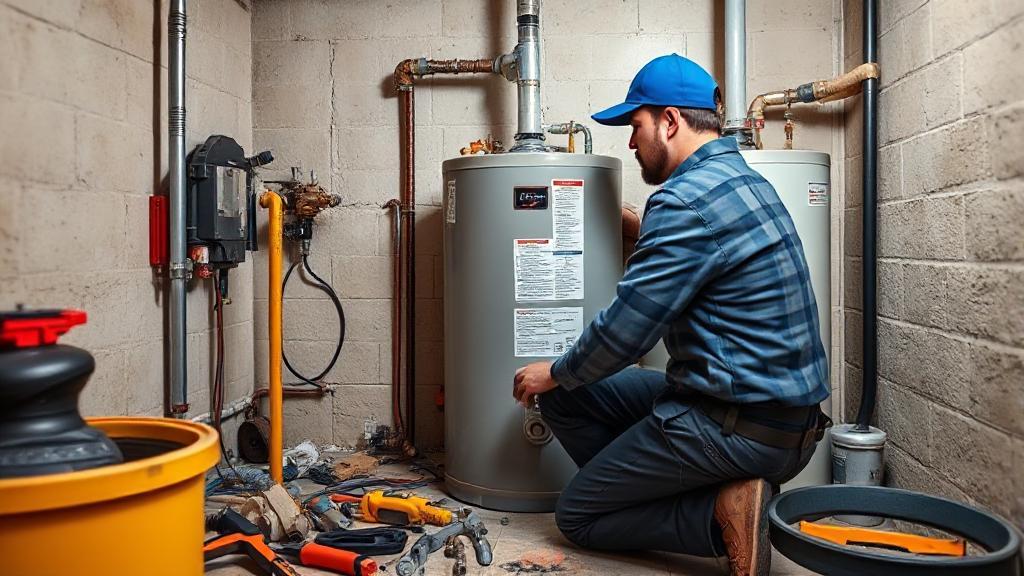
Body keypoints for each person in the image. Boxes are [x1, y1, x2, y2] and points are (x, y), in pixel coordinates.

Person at [512, 54, 830, 576]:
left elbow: (627, 334)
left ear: (670, 121)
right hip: (782, 420)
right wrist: (642, 232)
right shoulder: (743, 182)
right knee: (568, 399)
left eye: (635, 127)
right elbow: (712, 260)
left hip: (738, 426)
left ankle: (717, 513)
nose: (631, 143)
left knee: (577, 513)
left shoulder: (683, 201)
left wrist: (553, 369)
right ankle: (658, 487)